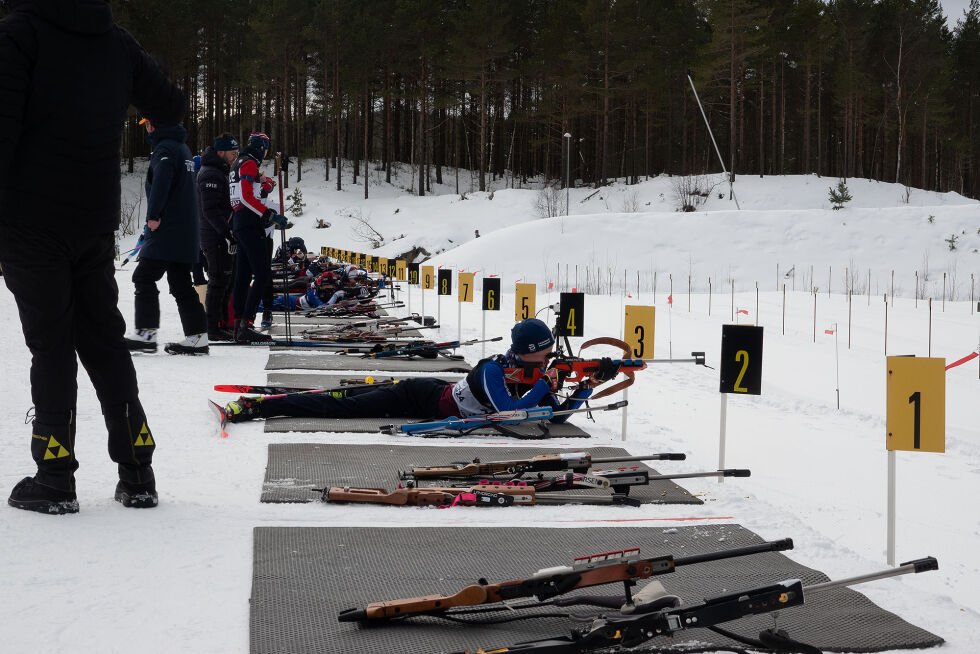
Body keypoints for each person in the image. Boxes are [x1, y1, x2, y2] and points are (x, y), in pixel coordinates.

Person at [0, 0, 183, 513]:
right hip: (93, 219)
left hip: (31, 222)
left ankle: (55, 476)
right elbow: (170, 104)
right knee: (103, 339)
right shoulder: (116, 41)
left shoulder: (18, 35)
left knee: (52, 344)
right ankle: (138, 471)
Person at [224, 318, 619, 423]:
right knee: (340, 405)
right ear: (531, 352)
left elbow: (559, 413)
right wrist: (546, 385)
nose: (552, 356)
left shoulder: (532, 375)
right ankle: (260, 406)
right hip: (420, 396)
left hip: (433, 397)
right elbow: (509, 414)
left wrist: (588, 384)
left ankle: (269, 401)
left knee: (348, 400)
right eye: (547, 351)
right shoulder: (492, 370)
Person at [123, 118, 209, 355]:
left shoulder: (165, 149)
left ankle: (146, 334)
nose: (147, 128)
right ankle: (197, 337)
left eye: (148, 124)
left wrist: (154, 216)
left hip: (168, 228)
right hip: (184, 229)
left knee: (144, 276)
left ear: (154, 125)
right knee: (180, 282)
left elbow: (162, 182)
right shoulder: (182, 148)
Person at [229, 132, 287, 342]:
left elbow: (251, 191)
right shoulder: (249, 163)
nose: (266, 153)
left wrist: (265, 184)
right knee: (262, 274)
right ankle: (247, 323)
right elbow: (246, 197)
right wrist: (269, 215)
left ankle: (238, 325)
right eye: (266, 148)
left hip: (241, 221)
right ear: (261, 147)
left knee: (243, 276)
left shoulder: (238, 162)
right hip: (249, 222)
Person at [198, 133, 240, 341]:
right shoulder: (210, 174)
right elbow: (210, 210)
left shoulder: (220, 171)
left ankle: (221, 323)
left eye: (237, 152)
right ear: (221, 152)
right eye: (233, 153)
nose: (236, 156)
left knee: (226, 280)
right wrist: (226, 234)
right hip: (214, 236)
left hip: (221, 234)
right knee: (218, 280)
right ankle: (212, 327)